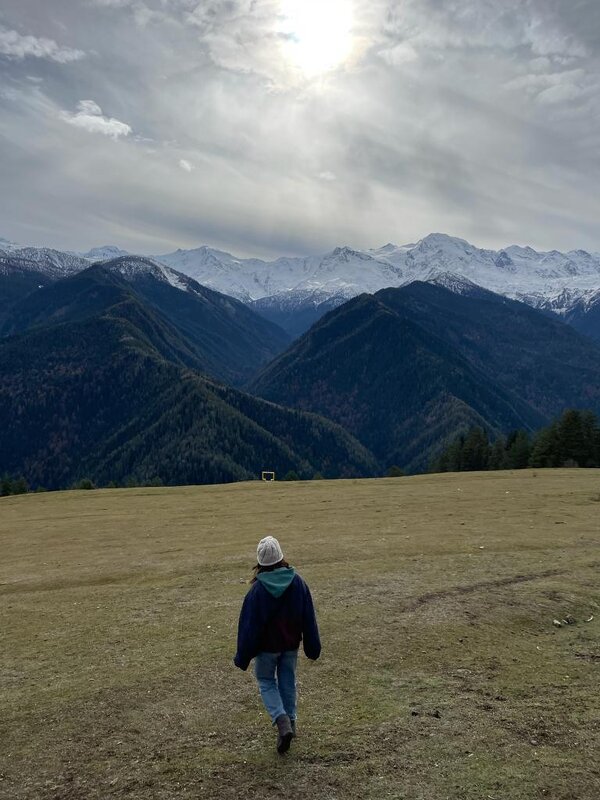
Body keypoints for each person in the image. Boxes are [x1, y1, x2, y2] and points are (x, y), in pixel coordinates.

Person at [234, 535, 321, 754]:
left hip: (266, 649)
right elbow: (308, 616)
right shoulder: (298, 582)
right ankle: (290, 722)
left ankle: (281, 721)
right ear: (281, 557)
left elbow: (249, 627)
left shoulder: (257, 592)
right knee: (287, 681)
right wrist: (313, 646)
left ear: (260, 563)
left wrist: (242, 656)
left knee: (265, 681)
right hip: (291, 645)